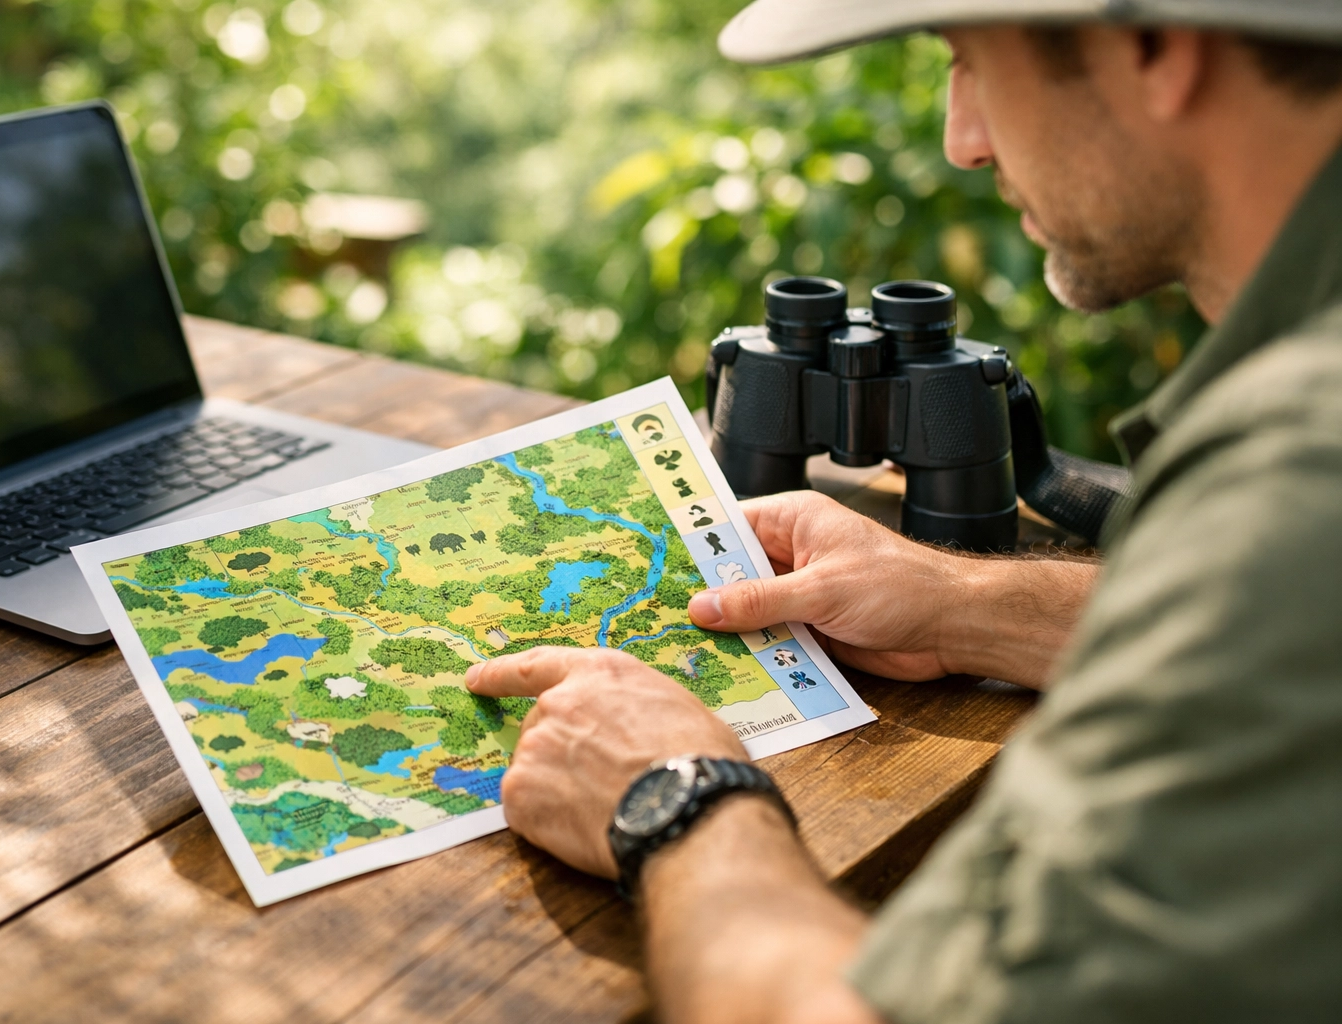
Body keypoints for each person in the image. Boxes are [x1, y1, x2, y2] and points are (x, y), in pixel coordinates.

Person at [464, 1, 1342, 1021]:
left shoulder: (1296, 476)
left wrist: (677, 799)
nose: (962, 140)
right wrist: (964, 603)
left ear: (1149, 45)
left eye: (971, 63)